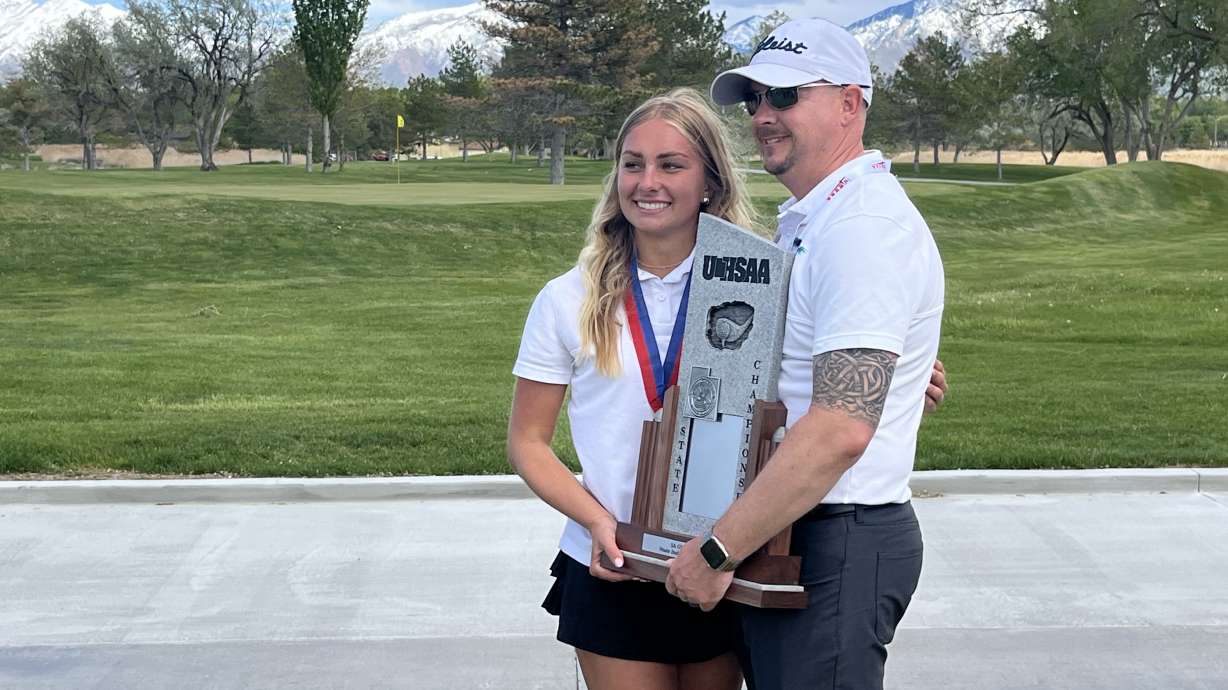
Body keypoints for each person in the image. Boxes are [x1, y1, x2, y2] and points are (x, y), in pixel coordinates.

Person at [664, 17, 946, 690]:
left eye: (786, 96)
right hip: (799, 526)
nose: (764, 114)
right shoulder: (819, 220)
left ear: (851, 103)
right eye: (756, 97)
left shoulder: (863, 230)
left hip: (837, 538)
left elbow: (841, 428)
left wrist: (718, 547)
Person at [507, 87, 755, 690]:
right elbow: (527, 443)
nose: (648, 181)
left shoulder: (759, 288)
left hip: (722, 558)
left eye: (672, 165)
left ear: (711, 183)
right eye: (633, 163)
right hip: (612, 561)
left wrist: (905, 385)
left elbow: (816, 394)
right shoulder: (567, 298)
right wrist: (596, 522)